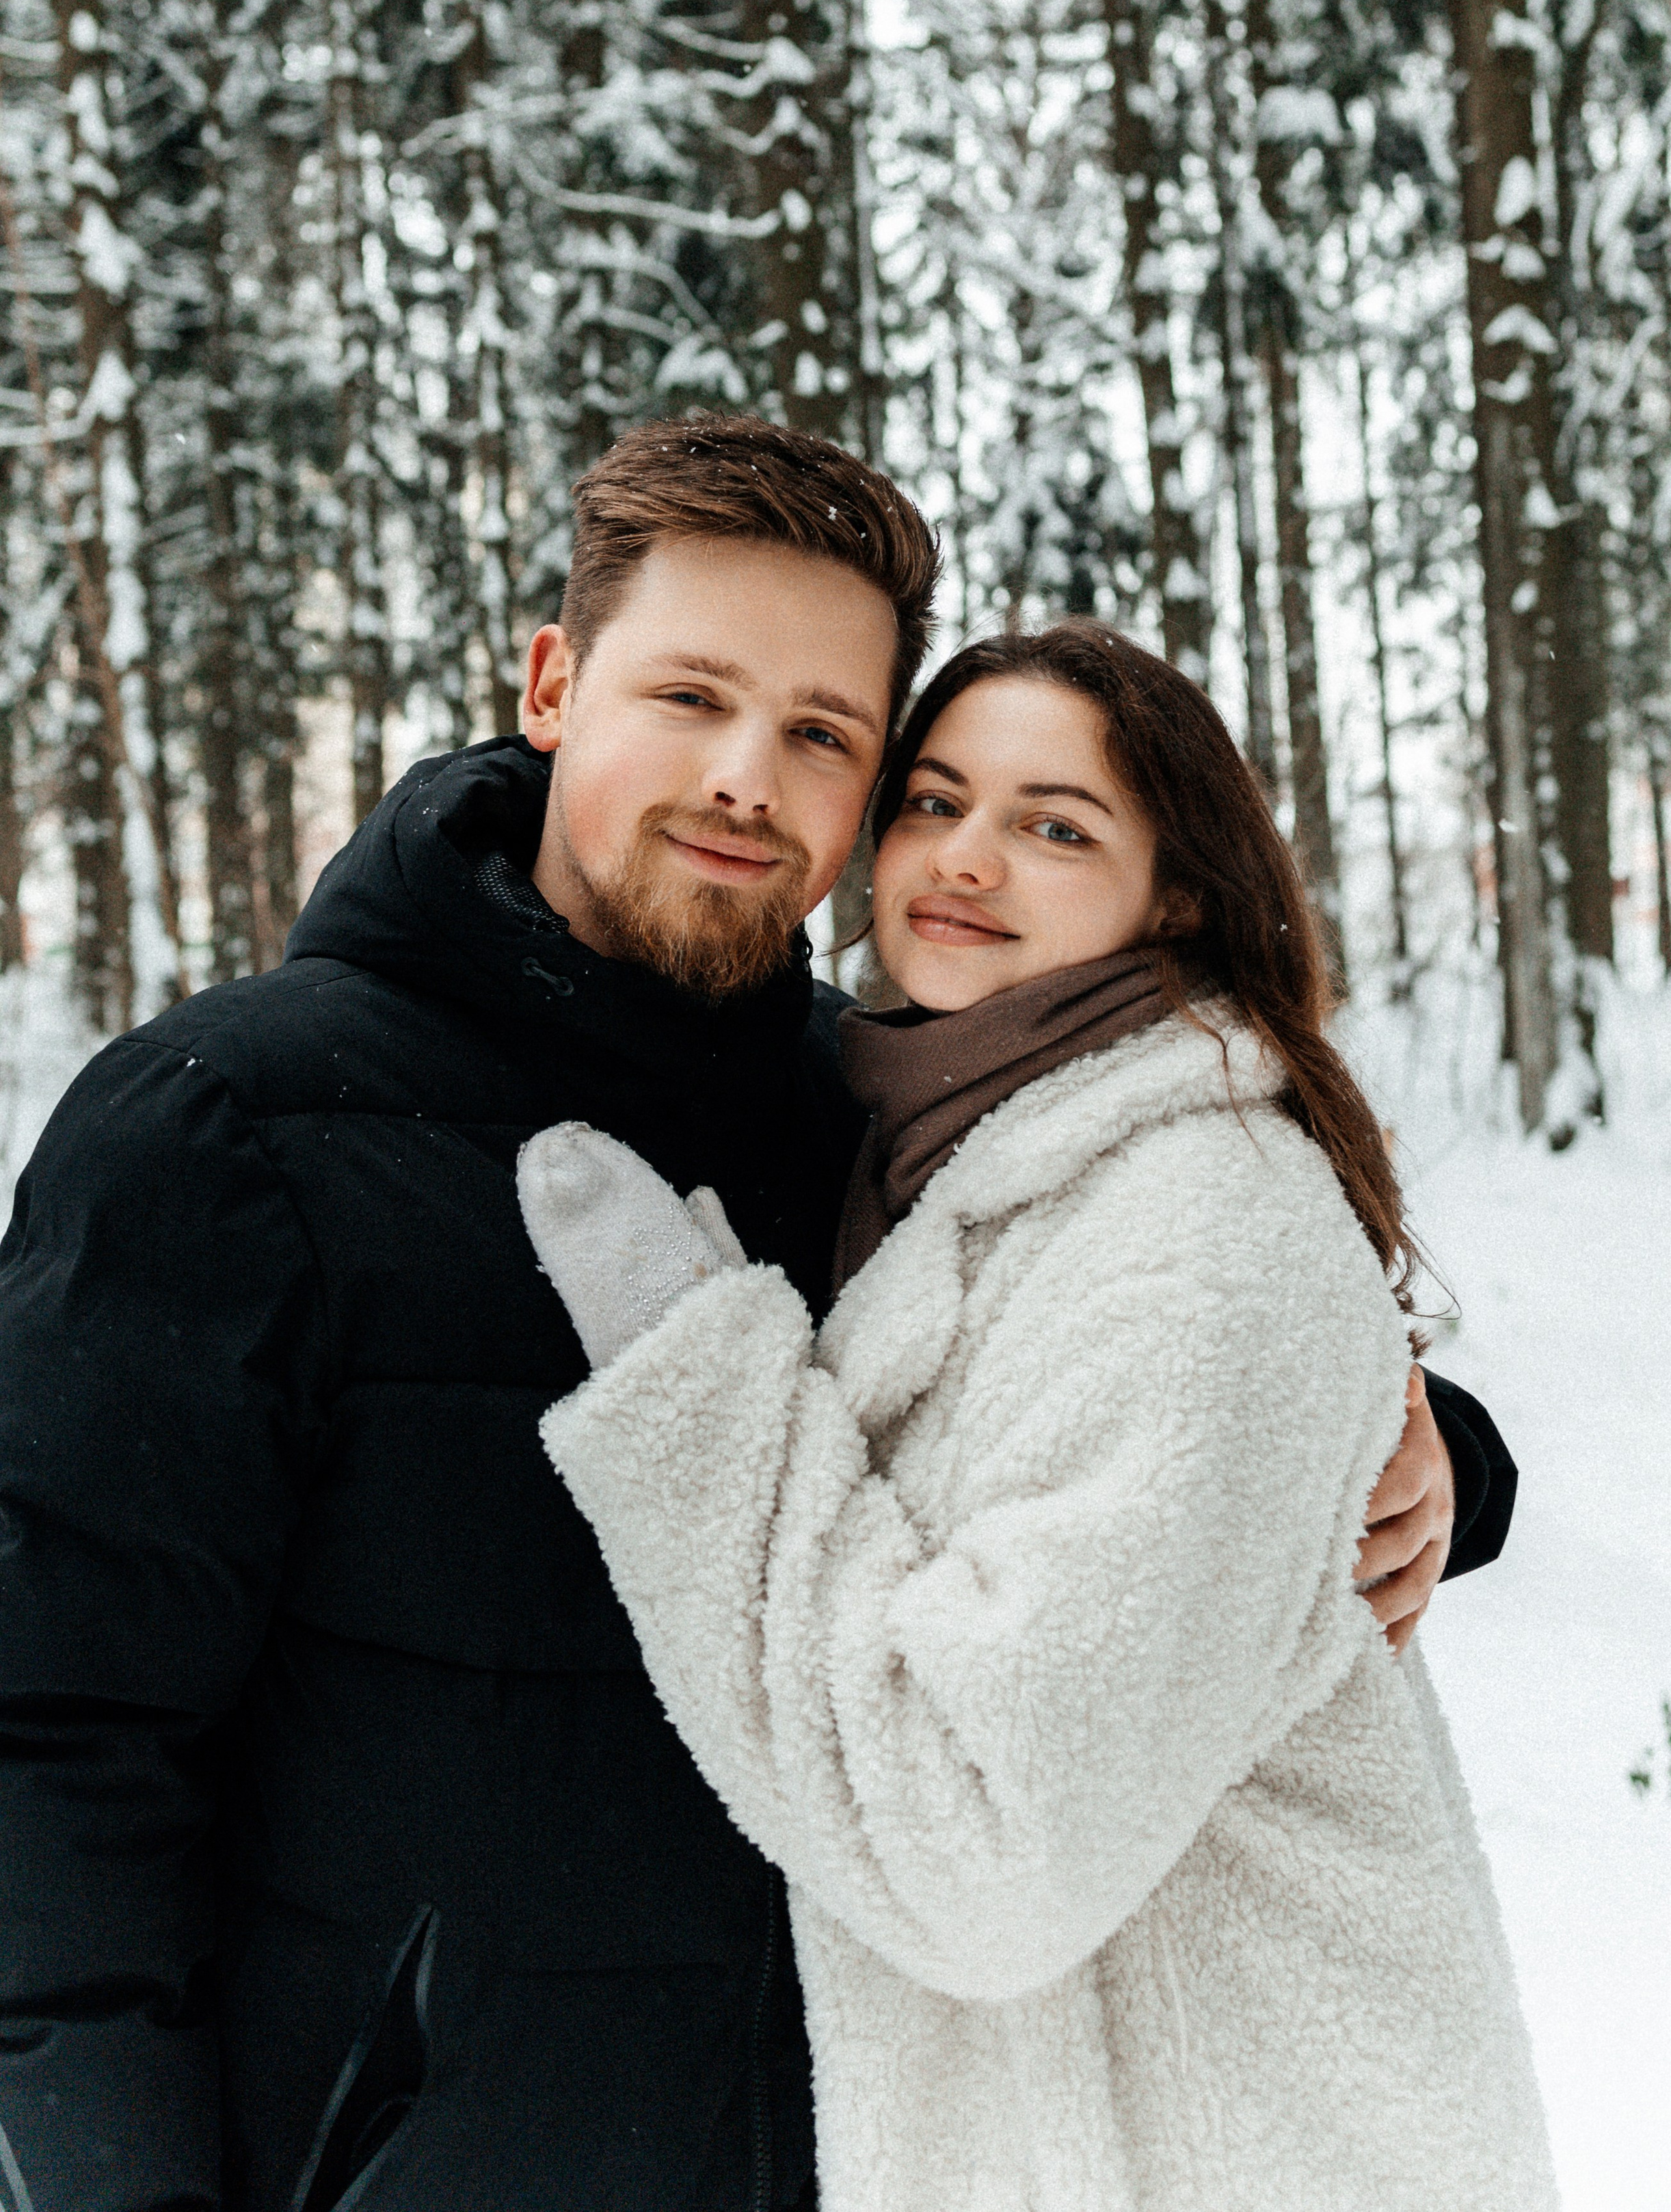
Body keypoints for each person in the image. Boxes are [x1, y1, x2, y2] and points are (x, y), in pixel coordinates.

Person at [0, 416, 1512, 2212]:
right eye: (691, 695)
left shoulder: (879, 1124)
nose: (744, 776)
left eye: (819, 734)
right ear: (556, 681)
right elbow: (51, 1750)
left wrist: (1421, 1448)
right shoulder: (232, 1126)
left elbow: (1110, 1417)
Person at [521, 622, 1556, 2212]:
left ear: (1181, 894)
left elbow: (983, 1851)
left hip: (1236, 2145)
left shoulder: (1197, 1212)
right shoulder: (925, 1138)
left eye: (1054, 824)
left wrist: (703, 1402)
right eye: (933, 802)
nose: (964, 859)